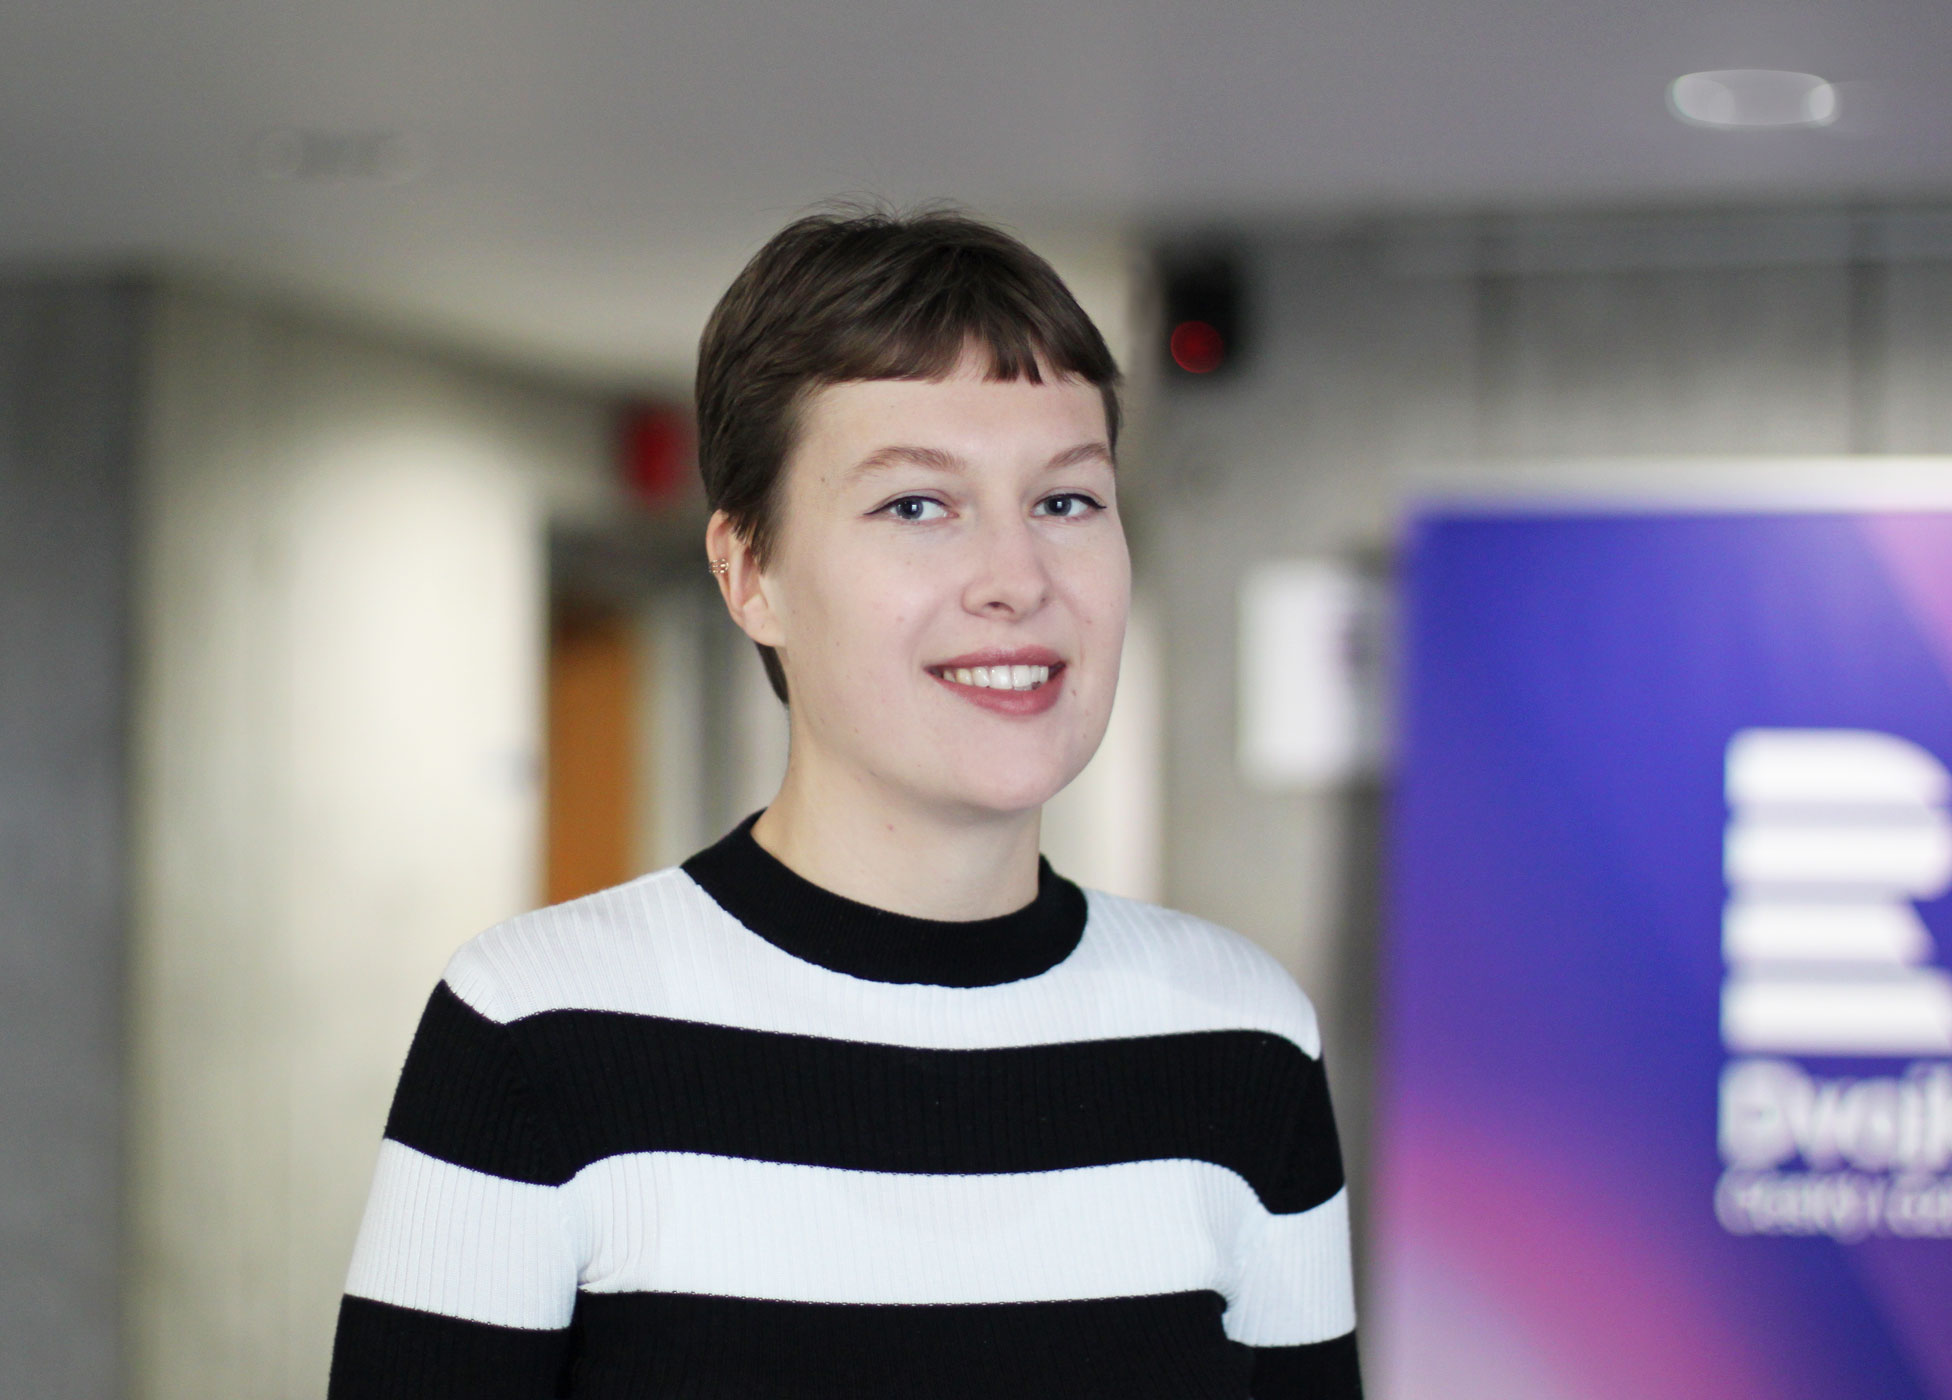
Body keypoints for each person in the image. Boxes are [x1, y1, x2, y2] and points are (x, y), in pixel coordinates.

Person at [328, 206, 1360, 1399]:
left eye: (1066, 500)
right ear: (748, 573)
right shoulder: (536, 1027)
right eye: (917, 504)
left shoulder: (1241, 1036)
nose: (1017, 578)